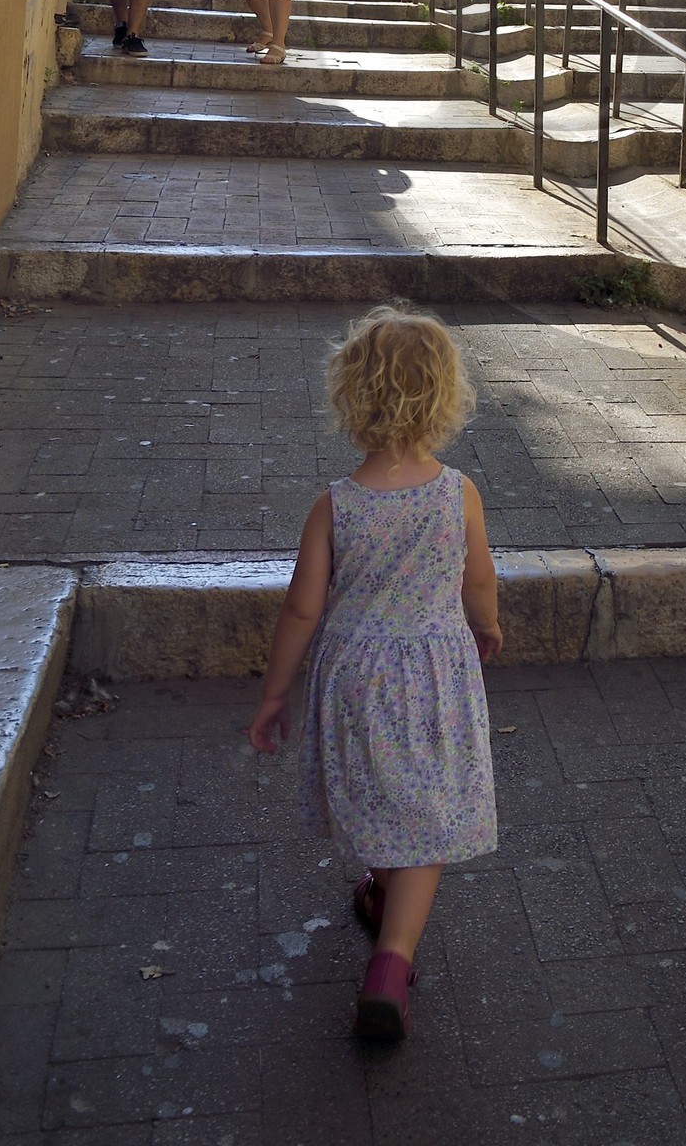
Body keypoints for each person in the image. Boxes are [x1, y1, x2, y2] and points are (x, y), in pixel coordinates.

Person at [247, 307, 500, 1044]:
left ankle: (380, 893)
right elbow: (479, 578)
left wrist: (275, 694)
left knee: (383, 789)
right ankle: (392, 963)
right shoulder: (458, 494)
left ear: (351, 398)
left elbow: (301, 609)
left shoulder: (335, 506)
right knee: (425, 809)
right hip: (434, 670)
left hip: (354, 675)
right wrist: (486, 625)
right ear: (445, 397)